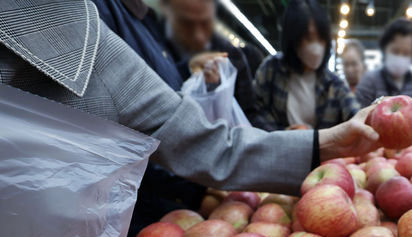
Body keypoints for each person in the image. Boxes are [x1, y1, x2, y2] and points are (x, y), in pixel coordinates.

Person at [0, 1, 380, 200]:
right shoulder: (81, 27)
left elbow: (194, 136)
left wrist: (326, 140)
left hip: (139, 209)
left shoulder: (86, 33)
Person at [252, 0, 359, 131]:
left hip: (321, 150)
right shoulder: (271, 69)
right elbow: (254, 110)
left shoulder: (333, 83)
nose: (317, 47)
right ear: (293, 38)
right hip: (277, 149)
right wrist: (281, 134)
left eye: (321, 39)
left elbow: (355, 115)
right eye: (309, 38)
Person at [160, 0, 259, 124]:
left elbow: (249, 110)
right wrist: (188, 70)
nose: (199, 36)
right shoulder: (153, 44)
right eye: (186, 24)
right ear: (165, 9)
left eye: (206, 23)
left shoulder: (231, 55)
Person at [355, 18, 412, 107]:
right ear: (385, 49)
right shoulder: (369, 82)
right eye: (395, 51)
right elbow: (359, 117)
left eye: (406, 53)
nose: (400, 58)